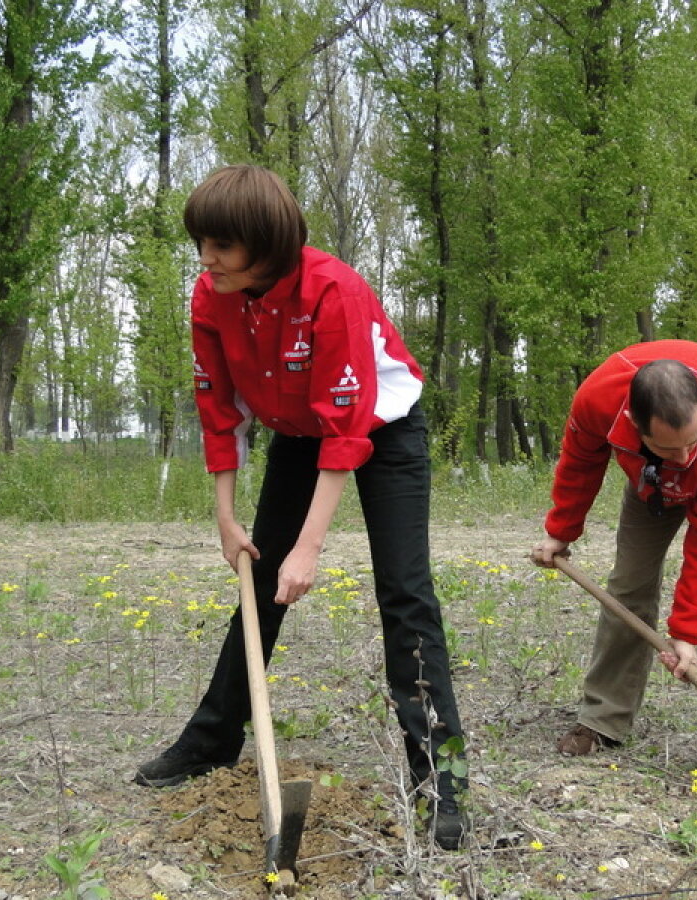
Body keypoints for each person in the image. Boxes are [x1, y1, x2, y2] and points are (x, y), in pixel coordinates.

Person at [133, 165, 469, 851]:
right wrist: (226, 517)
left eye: (222, 245)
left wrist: (309, 546)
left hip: (384, 429)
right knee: (259, 582)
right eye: (202, 243)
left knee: (405, 591)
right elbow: (217, 409)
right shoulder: (211, 294)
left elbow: (347, 430)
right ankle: (210, 740)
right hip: (296, 431)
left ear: (265, 242)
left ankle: (441, 777)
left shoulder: (331, 290)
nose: (207, 259)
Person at [531, 341, 697, 796]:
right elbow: (580, 463)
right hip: (649, 477)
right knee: (628, 582)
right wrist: (561, 530)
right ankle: (603, 718)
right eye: (671, 446)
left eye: (692, 442)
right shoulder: (598, 401)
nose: (685, 457)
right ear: (633, 424)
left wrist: (687, 631)